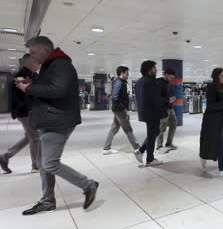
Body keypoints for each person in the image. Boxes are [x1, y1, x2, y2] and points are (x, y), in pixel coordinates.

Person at [16, 36, 98, 215]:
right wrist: (31, 84)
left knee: (50, 163)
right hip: (49, 119)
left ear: (45, 49)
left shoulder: (61, 64)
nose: (31, 56)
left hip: (58, 121)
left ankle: (88, 185)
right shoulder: (49, 66)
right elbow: (48, 88)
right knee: (41, 162)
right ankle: (47, 201)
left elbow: (57, 90)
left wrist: (29, 88)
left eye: (33, 52)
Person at [0, 54, 41, 174]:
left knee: (29, 136)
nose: (38, 64)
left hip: (29, 111)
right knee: (35, 137)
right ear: (29, 62)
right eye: (36, 62)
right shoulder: (20, 76)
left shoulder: (33, 75)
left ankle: (5, 157)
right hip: (25, 111)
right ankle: (35, 165)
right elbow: (27, 94)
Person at [102, 66, 142, 160]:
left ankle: (106, 148)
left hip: (116, 109)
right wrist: (123, 108)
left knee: (114, 128)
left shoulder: (118, 81)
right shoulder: (119, 83)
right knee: (128, 129)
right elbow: (115, 97)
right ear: (122, 73)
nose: (128, 75)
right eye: (127, 73)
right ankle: (138, 148)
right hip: (120, 110)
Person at [135, 60, 167, 166]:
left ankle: (141, 151)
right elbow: (156, 100)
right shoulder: (151, 82)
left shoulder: (139, 81)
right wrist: (163, 112)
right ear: (149, 70)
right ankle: (149, 159)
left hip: (144, 112)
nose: (156, 70)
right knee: (152, 134)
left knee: (154, 133)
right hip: (152, 113)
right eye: (154, 68)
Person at [156, 69, 178, 154]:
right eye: (171, 77)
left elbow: (169, 94)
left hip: (170, 108)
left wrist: (173, 98)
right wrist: (168, 100)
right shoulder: (158, 82)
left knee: (174, 124)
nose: (171, 79)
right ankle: (159, 146)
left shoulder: (168, 83)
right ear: (166, 74)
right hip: (163, 109)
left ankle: (169, 143)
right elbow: (157, 98)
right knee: (162, 128)